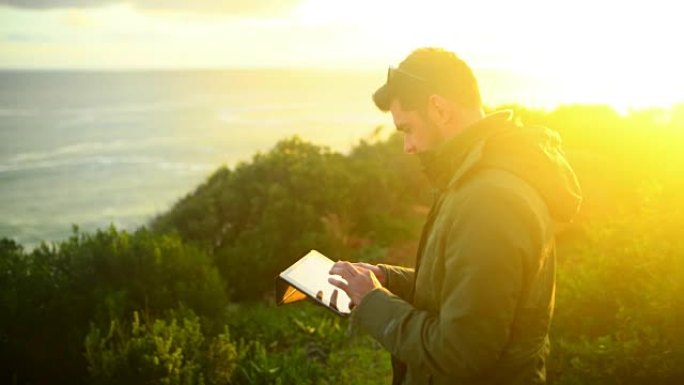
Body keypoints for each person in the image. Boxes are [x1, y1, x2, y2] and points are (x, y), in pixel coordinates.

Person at [328, 47, 582, 385]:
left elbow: (460, 354)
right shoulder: (477, 178)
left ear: (438, 108)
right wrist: (388, 280)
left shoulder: (490, 199)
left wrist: (374, 303)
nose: (408, 146)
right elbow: (465, 289)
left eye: (407, 129)